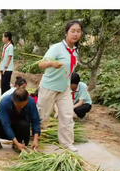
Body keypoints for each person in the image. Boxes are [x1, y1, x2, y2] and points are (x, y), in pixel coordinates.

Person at [37, 20, 82, 152]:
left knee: (67, 116)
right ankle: (28, 136)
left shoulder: (75, 51)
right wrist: (52, 64)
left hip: (64, 89)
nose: (75, 34)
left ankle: (67, 143)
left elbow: (70, 70)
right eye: (72, 31)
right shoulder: (57, 48)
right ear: (66, 32)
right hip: (49, 87)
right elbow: (41, 64)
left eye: (78, 31)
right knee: (41, 115)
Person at [0, 89, 40, 153]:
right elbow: (6, 124)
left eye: (24, 105)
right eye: (19, 105)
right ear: (12, 100)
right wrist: (16, 143)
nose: (22, 107)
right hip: (5, 130)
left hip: (19, 130)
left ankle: (19, 143)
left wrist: (35, 140)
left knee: (24, 124)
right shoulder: (5, 102)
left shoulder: (31, 102)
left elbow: (36, 120)